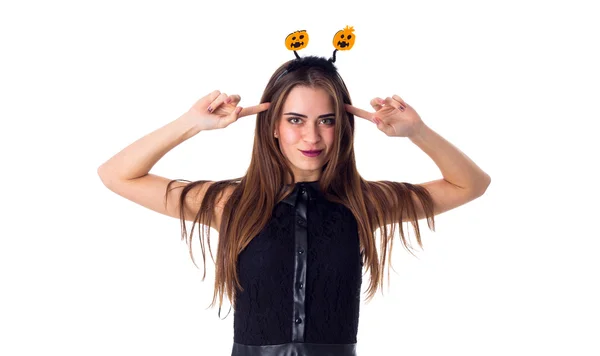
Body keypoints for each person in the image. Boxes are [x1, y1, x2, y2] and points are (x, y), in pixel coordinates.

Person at [98, 28, 490, 356]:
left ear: (344, 127)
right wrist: (191, 124)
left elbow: (471, 184)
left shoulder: (365, 204)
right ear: (272, 126)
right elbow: (117, 175)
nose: (312, 136)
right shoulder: (229, 204)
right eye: (296, 120)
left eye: (327, 120)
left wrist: (416, 132)